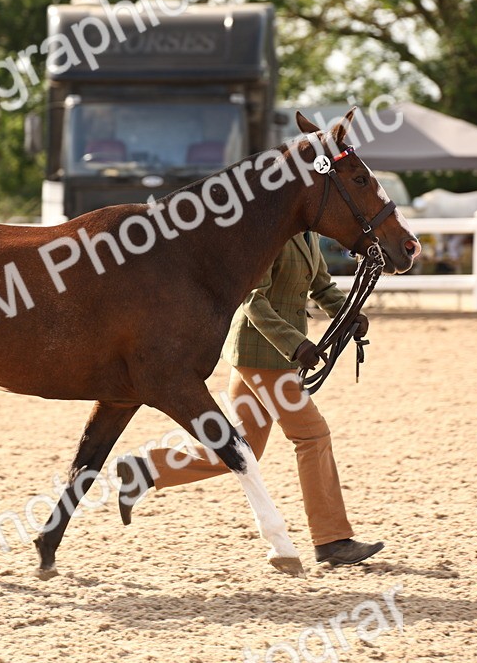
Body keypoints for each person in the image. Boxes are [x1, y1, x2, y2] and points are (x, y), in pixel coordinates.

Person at [119, 231, 384, 567]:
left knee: (244, 449)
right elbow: (252, 300)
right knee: (312, 435)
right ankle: (332, 539)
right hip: (264, 353)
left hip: (263, 354)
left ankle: (146, 470)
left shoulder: (307, 234)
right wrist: (295, 343)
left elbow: (321, 285)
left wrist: (346, 314)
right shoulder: (272, 235)